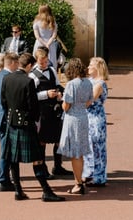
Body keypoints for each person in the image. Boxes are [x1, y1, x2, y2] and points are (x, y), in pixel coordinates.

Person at [1, 52, 65, 202]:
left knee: (13, 159)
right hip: (26, 124)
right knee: (37, 159)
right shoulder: (28, 81)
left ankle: (18, 191)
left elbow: (3, 101)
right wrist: (35, 121)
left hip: (12, 123)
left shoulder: (6, 78)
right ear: (29, 65)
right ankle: (46, 191)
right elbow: (33, 106)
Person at [30, 47, 71, 177]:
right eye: (42, 62)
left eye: (46, 61)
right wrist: (46, 94)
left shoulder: (52, 70)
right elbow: (32, 95)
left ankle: (58, 166)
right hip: (42, 111)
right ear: (37, 61)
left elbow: (58, 85)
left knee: (58, 139)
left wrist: (60, 93)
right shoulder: (32, 75)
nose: (45, 64)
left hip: (55, 109)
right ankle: (43, 169)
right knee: (42, 140)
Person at [57, 58, 93, 195]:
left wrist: (61, 100)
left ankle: (78, 183)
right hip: (83, 116)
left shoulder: (71, 84)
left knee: (75, 153)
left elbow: (66, 106)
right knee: (80, 152)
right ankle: (78, 181)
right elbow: (89, 101)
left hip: (72, 118)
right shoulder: (88, 82)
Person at [0, 51, 19, 192]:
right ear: (13, 63)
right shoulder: (10, 78)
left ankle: (5, 178)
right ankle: (3, 180)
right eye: (17, 63)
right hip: (7, 118)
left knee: (6, 148)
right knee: (6, 150)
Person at [83, 56, 110, 187]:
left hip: (95, 117)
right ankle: (88, 173)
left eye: (90, 66)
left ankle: (99, 176)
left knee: (97, 145)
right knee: (88, 144)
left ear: (97, 68)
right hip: (87, 117)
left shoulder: (99, 84)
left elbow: (89, 101)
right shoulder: (89, 80)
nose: (88, 68)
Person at [32, 4, 60, 69]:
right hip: (51, 44)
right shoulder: (53, 21)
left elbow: (37, 36)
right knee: (51, 61)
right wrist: (48, 44)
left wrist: (44, 43)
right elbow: (54, 35)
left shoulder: (36, 21)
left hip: (40, 43)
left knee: (38, 60)